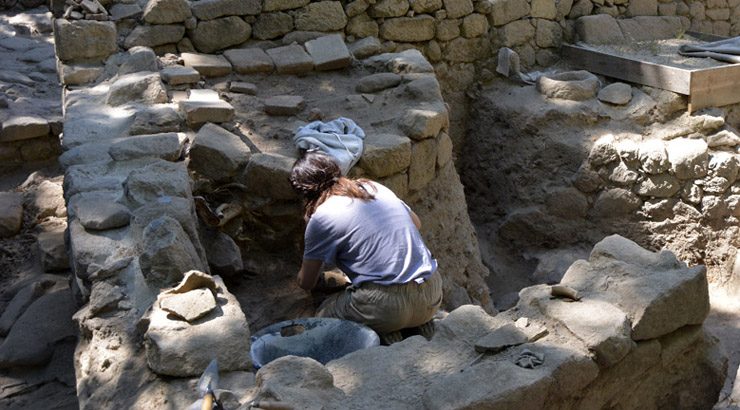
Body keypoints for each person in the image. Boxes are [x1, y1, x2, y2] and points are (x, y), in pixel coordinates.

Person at [290, 151, 442, 344]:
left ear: (304, 193)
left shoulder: (320, 218)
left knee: (324, 313)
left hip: (386, 308)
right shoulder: (372, 187)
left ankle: (383, 335)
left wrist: (299, 276)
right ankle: (414, 328)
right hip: (432, 293)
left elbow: (306, 283)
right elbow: (416, 223)